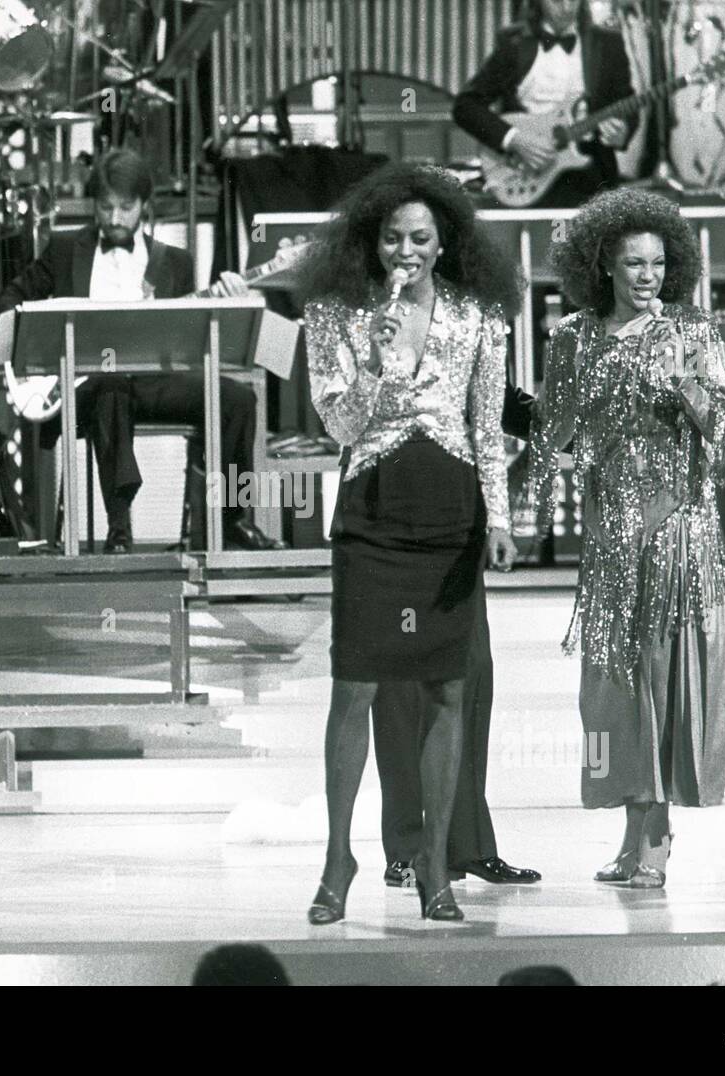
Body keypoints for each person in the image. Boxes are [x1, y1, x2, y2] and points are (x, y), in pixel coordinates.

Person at [299, 163, 522, 923]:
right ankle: (337, 860)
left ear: (443, 241)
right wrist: (371, 360)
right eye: (393, 237)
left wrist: (501, 519)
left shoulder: (479, 316)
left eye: (420, 238)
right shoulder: (336, 313)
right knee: (355, 685)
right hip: (373, 508)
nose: (406, 251)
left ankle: (435, 869)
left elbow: (487, 426)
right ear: (374, 240)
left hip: (449, 510)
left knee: (446, 690)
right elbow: (338, 424)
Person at [530, 189, 725, 889]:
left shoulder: (694, 334)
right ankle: (634, 831)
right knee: (614, 690)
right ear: (604, 266)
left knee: (659, 674)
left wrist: (684, 379)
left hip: (677, 528)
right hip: (610, 533)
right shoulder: (573, 337)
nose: (647, 275)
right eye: (632, 263)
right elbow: (550, 432)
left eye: (657, 263)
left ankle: (654, 841)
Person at [0, 148, 285, 552]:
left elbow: (188, 338)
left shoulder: (174, 262)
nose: (114, 219)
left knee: (237, 398)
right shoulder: (64, 250)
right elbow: (12, 299)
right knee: (110, 386)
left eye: (125, 208)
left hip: (153, 383)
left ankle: (232, 519)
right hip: (84, 390)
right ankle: (120, 531)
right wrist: (29, 352)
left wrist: (226, 300)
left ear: (145, 207)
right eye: (105, 207)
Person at [372, 382, 543, 890]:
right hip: (387, 514)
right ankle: (406, 850)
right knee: (401, 691)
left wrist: (577, 413)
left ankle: (465, 846)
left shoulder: (473, 319)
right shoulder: (371, 319)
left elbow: (505, 407)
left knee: (468, 680)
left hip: (459, 520)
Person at [452, 0, 636, 209]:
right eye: (557, 1)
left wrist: (623, 131)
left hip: (591, 174)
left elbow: (626, 102)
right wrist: (514, 139)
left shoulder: (607, 42)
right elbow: (465, 106)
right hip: (527, 171)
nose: (567, 8)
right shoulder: (513, 44)